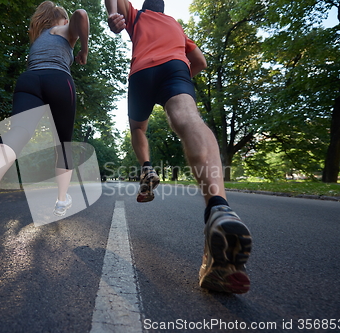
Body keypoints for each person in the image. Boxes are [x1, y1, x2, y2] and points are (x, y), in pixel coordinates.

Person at [104, 0, 252, 293]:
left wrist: (113, 14)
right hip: (176, 68)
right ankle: (219, 208)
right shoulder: (176, 26)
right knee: (189, 119)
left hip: (143, 71)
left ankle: (146, 169)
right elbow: (200, 62)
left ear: (147, 6)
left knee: (138, 127)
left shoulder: (139, 15)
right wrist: (178, 83)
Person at [0, 1, 89, 259]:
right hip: (58, 80)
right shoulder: (63, 30)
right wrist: (83, 50)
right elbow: (82, 15)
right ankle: (62, 200)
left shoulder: (37, 39)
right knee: (63, 145)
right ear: (60, 20)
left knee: (17, 134)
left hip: (28, 81)